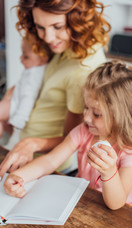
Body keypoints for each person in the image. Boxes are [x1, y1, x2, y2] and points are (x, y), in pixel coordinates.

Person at [3, 60, 132, 210]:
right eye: (86, 108)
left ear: (122, 117)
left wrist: (109, 172)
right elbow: (50, 161)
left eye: (96, 114)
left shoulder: (131, 152)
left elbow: (116, 204)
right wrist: (18, 177)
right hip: (86, 204)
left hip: (121, 221)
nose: (86, 117)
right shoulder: (84, 131)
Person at [0, 0, 111, 174]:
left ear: (78, 20)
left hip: (48, 166)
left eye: (57, 27)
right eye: (40, 27)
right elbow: (36, 83)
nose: (48, 37)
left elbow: (74, 136)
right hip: (26, 153)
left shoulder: (82, 70)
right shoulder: (66, 45)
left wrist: (32, 143)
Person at [0, 34, 51, 137]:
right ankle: (5, 133)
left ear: (43, 59)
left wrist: (19, 119)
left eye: (26, 56)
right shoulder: (34, 69)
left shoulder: (34, 74)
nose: (21, 58)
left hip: (15, 106)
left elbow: (28, 97)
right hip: (14, 103)